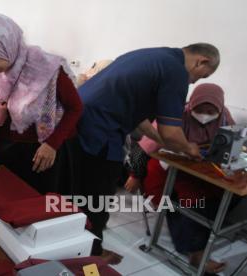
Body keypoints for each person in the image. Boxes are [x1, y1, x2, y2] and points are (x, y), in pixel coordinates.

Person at [72, 43, 220, 264]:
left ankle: (74, 244)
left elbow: (140, 117)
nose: (193, 82)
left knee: (77, 193)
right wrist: (189, 149)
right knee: (97, 199)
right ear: (202, 61)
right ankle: (92, 255)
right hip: (98, 130)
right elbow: (171, 132)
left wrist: (162, 141)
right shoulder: (176, 71)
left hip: (78, 122)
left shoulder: (153, 56)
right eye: (200, 77)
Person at [0, 13, 82, 195]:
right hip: (4, 144)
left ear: (8, 45)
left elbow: (75, 108)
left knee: (37, 203)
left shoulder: (47, 68)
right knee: (3, 197)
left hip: (42, 149)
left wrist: (52, 144)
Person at [135, 83, 234, 274]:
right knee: (189, 201)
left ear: (219, 108)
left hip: (198, 169)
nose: (205, 114)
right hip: (164, 169)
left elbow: (229, 143)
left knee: (225, 195)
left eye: (210, 110)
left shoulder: (223, 118)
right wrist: (135, 175)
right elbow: (142, 149)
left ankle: (202, 235)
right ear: (192, 104)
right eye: (200, 109)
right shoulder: (175, 116)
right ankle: (195, 252)